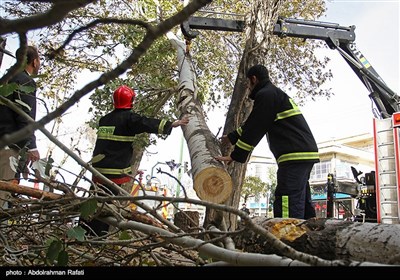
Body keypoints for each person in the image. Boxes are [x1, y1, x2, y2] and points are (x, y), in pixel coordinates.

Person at [215, 64, 319, 220]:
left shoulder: (266, 95)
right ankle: (308, 235)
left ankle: (285, 239)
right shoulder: (273, 94)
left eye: (248, 84)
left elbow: (256, 127)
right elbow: (252, 124)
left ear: (254, 79)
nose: (248, 89)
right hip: (301, 153)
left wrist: (235, 156)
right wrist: (232, 137)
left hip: (294, 155)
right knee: (300, 200)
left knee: (287, 200)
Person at [83, 85, 189, 236]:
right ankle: (97, 237)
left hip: (98, 171)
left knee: (92, 202)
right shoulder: (129, 119)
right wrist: (171, 124)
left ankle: (83, 232)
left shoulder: (104, 119)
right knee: (106, 207)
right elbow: (145, 123)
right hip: (114, 174)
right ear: (131, 101)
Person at [0, 45, 41, 209]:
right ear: (34, 61)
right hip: (8, 148)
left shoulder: (5, 80)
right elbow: (25, 116)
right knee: (2, 192)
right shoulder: (25, 82)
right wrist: (32, 146)